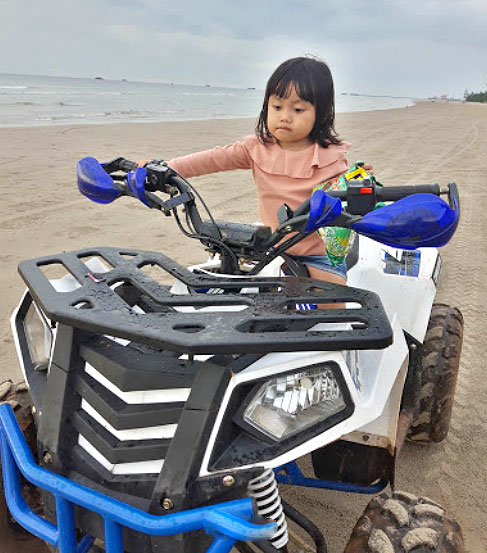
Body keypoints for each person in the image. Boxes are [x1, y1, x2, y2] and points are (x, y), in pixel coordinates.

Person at [139, 56, 370, 285]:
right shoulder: (256, 148)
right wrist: (166, 168)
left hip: (316, 253)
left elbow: (349, 194)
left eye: (298, 109)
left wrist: (359, 182)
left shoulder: (330, 158)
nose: (285, 117)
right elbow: (212, 159)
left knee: (331, 299)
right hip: (270, 246)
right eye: (277, 106)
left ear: (324, 113)